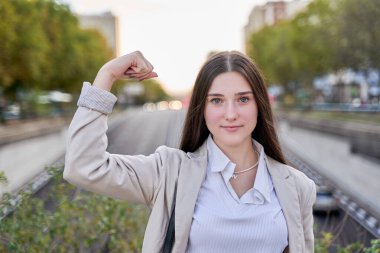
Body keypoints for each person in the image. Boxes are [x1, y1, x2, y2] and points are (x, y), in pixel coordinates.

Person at [64, 50, 316, 253]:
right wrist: (107, 74)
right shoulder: (170, 172)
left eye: (243, 99)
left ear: (259, 105)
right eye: (216, 100)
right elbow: (84, 167)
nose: (230, 114)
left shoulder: (297, 188)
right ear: (202, 108)